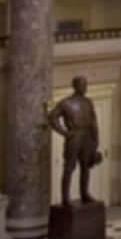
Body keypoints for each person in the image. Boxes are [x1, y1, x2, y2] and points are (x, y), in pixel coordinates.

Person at [47, 76, 102, 205]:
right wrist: (64, 132)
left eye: (85, 85)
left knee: (85, 167)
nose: (85, 88)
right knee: (69, 167)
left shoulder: (88, 102)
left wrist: (95, 140)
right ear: (75, 86)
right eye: (82, 85)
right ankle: (65, 198)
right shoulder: (66, 103)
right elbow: (52, 117)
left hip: (87, 135)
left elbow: (93, 121)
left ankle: (85, 193)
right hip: (75, 135)